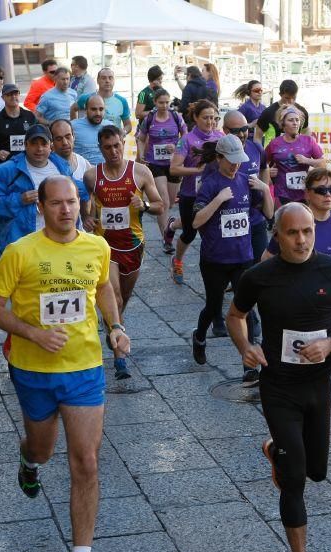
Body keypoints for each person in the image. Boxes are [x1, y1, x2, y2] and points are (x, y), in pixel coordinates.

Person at [0, 175, 130, 552]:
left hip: (84, 368)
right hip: (33, 370)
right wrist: (33, 333)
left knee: (86, 462)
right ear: (41, 207)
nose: (67, 210)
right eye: (57, 204)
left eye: (73, 202)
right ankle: (29, 461)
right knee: (43, 449)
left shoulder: (96, 247)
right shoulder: (20, 252)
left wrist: (115, 327)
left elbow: (101, 287)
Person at [227, 202, 331, 552]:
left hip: (318, 385)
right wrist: (244, 347)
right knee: (294, 480)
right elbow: (235, 315)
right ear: (278, 235)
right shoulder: (260, 276)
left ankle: (277, 451)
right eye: (293, 233)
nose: (302, 239)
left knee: (317, 471)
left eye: (307, 231)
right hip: (279, 388)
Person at [83, 125, 163, 379]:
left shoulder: (140, 172)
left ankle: (114, 326)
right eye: (107, 147)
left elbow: (161, 206)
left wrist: (145, 205)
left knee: (122, 299)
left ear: (123, 143)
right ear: (101, 149)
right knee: (114, 296)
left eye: (117, 145)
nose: (114, 151)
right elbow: (87, 208)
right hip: (104, 246)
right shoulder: (91, 176)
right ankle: (120, 359)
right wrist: (87, 219)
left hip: (133, 244)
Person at [190, 134, 273, 370]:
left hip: (243, 257)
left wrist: (266, 190)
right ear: (219, 158)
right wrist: (217, 200)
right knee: (214, 307)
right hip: (215, 259)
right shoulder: (211, 183)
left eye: (239, 160)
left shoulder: (246, 180)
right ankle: (200, 336)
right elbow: (196, 222)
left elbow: (268, 214)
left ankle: (249, 365)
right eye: (231, 160)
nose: (236, 165)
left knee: (243, 309)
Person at [0, 124, 88, 262]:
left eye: (43, 143)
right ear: (25, 145)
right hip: (21, 248)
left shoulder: (61, 167)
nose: (39, 148)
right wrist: (19, 200)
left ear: (50, 146)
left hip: (57, 245)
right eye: (34, 143)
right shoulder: (8, 170)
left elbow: (80, 191)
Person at [166, 100, 224, 285]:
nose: (210, 122)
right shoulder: (187, 139)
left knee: (216, 233)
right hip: (191, 194)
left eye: (213, 118)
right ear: (195, 118)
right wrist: (198, 171)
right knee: (190, 233)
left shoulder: (220, 136)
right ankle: (177, 261)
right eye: (206, 118)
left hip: (214, 193)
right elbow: (174, 169)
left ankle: (222, 270)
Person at [136, 88, 187, 253]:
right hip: (155, 162)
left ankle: (167, 225)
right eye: (161, 102)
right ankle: (166, 238)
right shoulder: (150, 118)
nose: (164, 105)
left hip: (173, 163)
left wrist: (177, 146)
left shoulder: (176, 117)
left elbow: (186, 137)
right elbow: (141, 138)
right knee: (163, 201)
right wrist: (141, 153)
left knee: (171, 202)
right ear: (155, 103)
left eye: (167, 102)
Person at [266, 106, 325, 206]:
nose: (295, 123)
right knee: (282, 221)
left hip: (304, 195)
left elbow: (323, 164)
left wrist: (307, 161)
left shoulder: (308, 141)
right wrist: (268, 172)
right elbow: (262, 163)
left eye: (297, 120)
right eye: (291, 120)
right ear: (283, 124)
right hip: (282, 194)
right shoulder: (275, 143)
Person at [0, 84, 38, 164]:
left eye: (16, 94)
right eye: (9, 94)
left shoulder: (30, 116)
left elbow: (38, 137)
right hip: (6, 165)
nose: (13, 96)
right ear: (3, 97)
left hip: (28, 162)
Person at [72, 68, 131, 135]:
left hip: (112, 141)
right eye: (103, 78)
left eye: (110, 78)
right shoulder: (86, 98)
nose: (107, 81)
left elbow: (128, 125)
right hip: (91, 140)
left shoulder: (122, 101)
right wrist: (74, 129)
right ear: (98, 80)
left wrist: (124, 131)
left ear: (114, 80)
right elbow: (73, 109)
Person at [255, 79, 310, 146]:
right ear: (280, 94)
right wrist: (262, 153)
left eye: (294, 98)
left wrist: (307, 147)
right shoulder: (268, 112)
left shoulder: (302, 111)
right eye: (287, 98)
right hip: (273, 153)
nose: (290, 101)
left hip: (295, 153)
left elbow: (306, 131)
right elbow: (257, 136)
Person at [71, 94, 113, 166]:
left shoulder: (111, 127)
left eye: (101, 109)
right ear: (85, 109)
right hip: (82, 174)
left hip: (106, 173)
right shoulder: (73, 126)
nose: (98, 113)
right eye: (93, 109)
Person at [50, 118, 92, 184]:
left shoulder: (83, 163)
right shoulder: (47, 164)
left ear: (74, 137)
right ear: (52, 141)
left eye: (68, 137)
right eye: (59, 139)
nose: (65, 142)